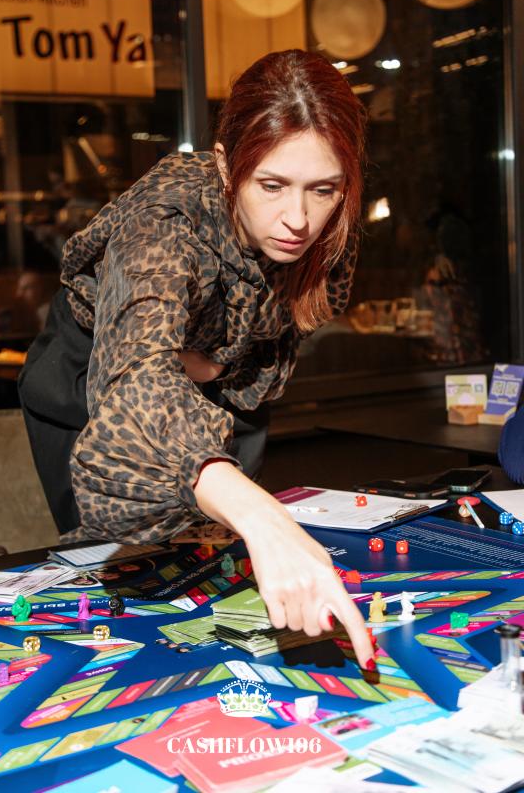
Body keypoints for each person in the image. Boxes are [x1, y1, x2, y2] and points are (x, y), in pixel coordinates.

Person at [19, 49, 373, 668]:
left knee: (218, 568)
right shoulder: (163, 221)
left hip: (224, 377)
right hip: (100, 382)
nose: (298, 219)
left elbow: (286, 319)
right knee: (132, 583)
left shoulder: (326, 222)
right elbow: (137, 375)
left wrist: (213, 366)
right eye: (271, 186)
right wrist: (263, 517)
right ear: (225, 164)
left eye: (322, 189)